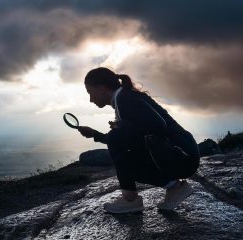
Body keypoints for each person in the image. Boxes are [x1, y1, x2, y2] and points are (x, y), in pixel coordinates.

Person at [78, 67, 200, 213]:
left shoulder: (125, 98)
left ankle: (131, 199)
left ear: (102, 88)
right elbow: (132, 135)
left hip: (182, 157)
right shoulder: (124, 97)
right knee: (118, 137)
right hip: (183, 154)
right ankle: (174, 187)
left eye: (90, 93)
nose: (91, 99)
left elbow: (158, 124)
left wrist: (123, 127)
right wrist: (96, 135)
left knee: (118, 138)